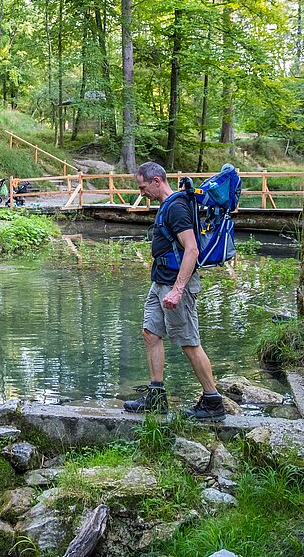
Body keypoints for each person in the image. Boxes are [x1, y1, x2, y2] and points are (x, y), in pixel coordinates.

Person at [123, 161, 225, 422]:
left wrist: (178, 290)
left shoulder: (177, 207)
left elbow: (192, 250)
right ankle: (156, 397)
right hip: (160, 281)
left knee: (189, 342)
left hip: (175, 285)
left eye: (143, 187)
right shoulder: (167, 205)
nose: (141, 193)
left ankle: (212, 401)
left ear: (157, 181)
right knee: (150, 332)